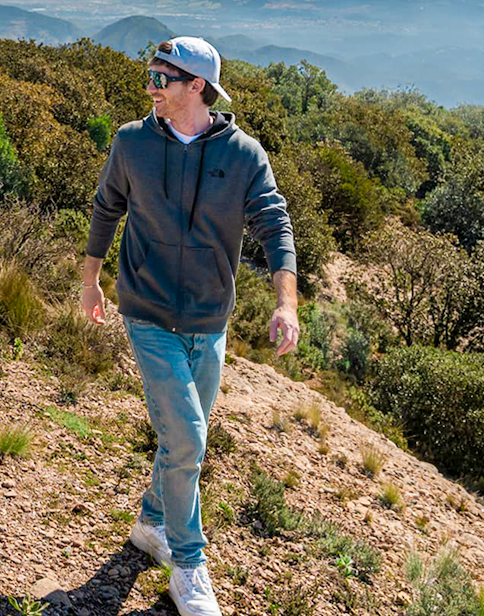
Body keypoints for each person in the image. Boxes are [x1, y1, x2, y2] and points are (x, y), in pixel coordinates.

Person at [80, 36, 298, 616]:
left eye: (161, 78)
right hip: (146, 311)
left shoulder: (245, 154)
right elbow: (107, 208)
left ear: (196, 86)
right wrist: (89, 279)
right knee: (190, 439)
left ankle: (152, 521)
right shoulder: (131, 143)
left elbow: (276, 226)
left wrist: (286, 303)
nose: (149, 88)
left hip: (210, 319)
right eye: (149, 76)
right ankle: (189, 564)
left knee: (182, 441)